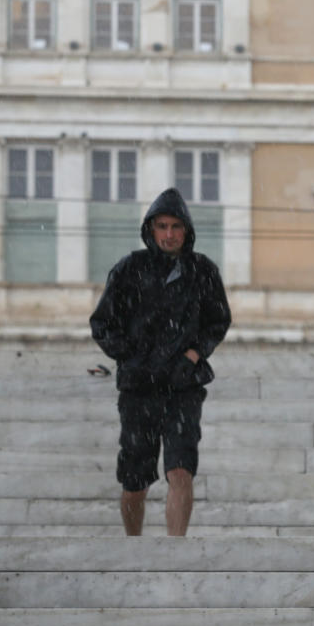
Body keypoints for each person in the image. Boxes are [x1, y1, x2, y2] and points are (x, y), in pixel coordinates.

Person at [90, 187, 231, 537]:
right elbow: (102, 323)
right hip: (139, 388)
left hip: (184, 385)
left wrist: (193, 354)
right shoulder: (129, 269)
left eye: (176, 227)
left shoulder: (203, 271)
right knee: (135, 478)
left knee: (181, 468)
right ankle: (133, 545)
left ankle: (175, 550)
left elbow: (218, 320)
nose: (169, 234)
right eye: (162, 226)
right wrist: (132, 357)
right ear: (151, 229)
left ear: (187, 231)